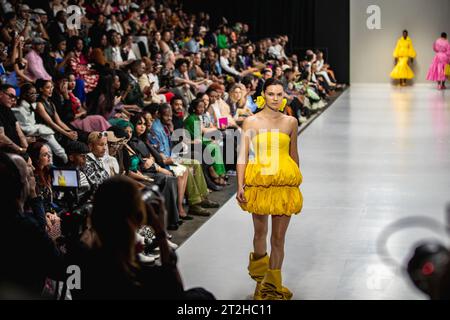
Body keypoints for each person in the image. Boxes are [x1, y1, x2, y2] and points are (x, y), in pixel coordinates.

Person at [236, 78, 303, 300]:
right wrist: (240, 185)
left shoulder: (290, 122)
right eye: (271, 94)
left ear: (284, 96)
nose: (276, 98)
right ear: (263, 95)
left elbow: (294, 155)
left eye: (279, 94)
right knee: (260, 234)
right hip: (261, 182)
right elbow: (242, 156)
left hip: (284, 182)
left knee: (278, 238)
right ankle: (260, 282)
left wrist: (296, 182)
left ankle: (272, 286)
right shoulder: (251, 122)